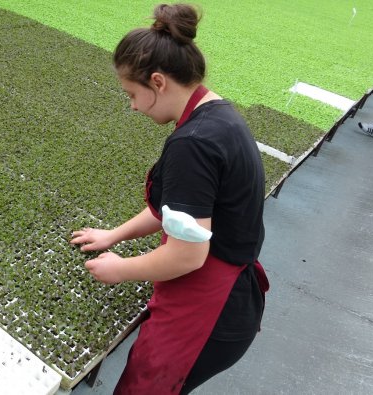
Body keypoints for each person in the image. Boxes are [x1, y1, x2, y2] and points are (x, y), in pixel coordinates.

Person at [69, 4, 269, 394]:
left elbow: (187, 255)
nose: (132, 105)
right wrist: (114, 235)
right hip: (230, 298)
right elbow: (181, 212)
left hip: (209, 312)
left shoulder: (192, 146)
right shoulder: (219, 114)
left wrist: (121, 269)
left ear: (157, 82)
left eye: (132, 93)